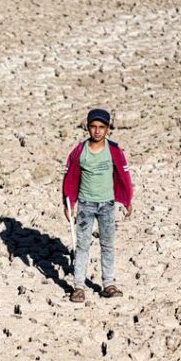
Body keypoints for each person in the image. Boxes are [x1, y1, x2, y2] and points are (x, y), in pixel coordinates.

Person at [61, 108, 134, 303]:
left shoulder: (114, 151)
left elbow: (124, 175)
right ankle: (78, 287)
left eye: (102, 127)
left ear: (108, 128)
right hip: (85, 206)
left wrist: (127, 200)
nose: (97, 131)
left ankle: (108, 284)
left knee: (107, 244)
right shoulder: (80, 152)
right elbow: (69, 178)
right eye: (93, 127)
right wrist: (69, 203)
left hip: (107, 205)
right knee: (82, 245)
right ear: (87, 127)